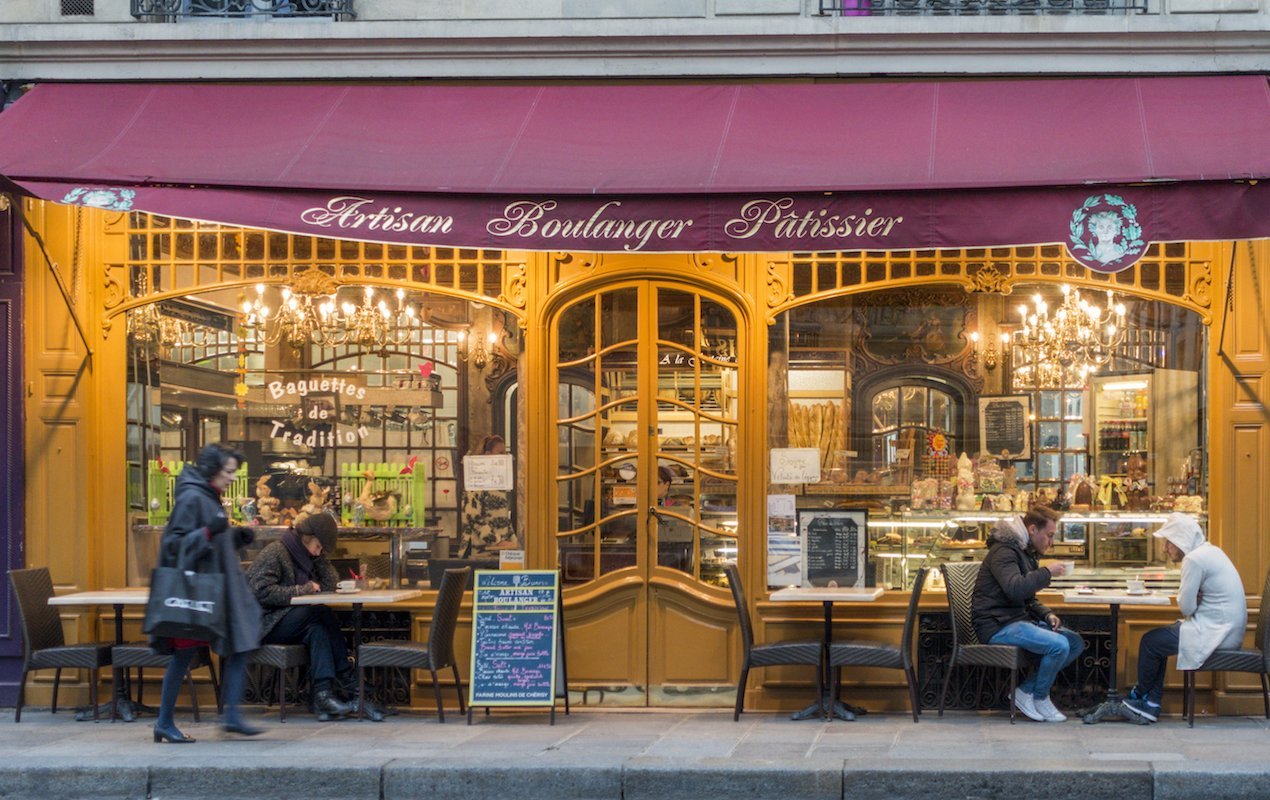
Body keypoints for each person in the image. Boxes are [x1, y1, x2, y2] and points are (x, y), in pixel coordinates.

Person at [150, 443, 263, 743]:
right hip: (197, 596)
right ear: (212, 470)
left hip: (214, 593)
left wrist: (233, 538)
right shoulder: (192, 498)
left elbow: (208, 544)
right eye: (228, 472)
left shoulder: (209, 496)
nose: (231, 478)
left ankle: (231, 716)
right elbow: (174, 546)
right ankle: (164, 722)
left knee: (240, 643)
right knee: (184, 655)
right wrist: (210, 532)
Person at [246, 511, 381, 721]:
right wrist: (300, 590)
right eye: (318, 547)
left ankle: (323, 695)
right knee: (319, 612)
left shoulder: (306, 557)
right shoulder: (276, 552)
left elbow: (329, 584)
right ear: (306, 538)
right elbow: (259, 591)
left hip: (287, 620)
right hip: (263, 624)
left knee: (318, 630)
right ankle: (347, 677)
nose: (318, 553)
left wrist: (319, 559)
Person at [1122, 513, 1248, 723]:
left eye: (1168, 543)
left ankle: (1140, 695)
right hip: (1225, 629)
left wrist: (1192, 599)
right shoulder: (1210, 552)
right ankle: (1150, 704)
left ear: (1181, 540)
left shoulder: (1194, 559)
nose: (1164, 548)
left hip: (1218, 633)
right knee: (1158, 640)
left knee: (1151, 641)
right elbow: (1190, 603)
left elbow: (1186, 608)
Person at [971, 504, 1084, 723]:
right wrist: (1046, 572)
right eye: (1049, 536)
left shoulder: (1024, 551)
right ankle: (1040, 697)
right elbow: (1016, 588)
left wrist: (1046, 615)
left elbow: (1027, 597)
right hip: (996, 626)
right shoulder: (1004, 551)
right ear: (1032, 530)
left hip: (1015, 621)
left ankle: (1026, 691)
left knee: (1075, 642)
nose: (1051, 542)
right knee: (1059, 645)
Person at [459, 434, 518, 557]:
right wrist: (497, 541)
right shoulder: (475, 483)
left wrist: (512, 539)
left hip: (498, 551)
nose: (504, 457)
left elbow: (504, 518)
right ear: (487, 455)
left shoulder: (500, 484)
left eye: (505, 453)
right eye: (500, 453)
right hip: (479, 551)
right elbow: (474, 517)